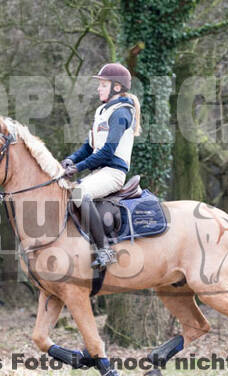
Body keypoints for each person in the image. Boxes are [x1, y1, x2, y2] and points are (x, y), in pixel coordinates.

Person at [61, 63, 142, 270]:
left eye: (103, 84)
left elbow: (107, 152)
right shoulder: (102, 112)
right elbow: (89, 147)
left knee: (78, 192)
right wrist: (70, 160)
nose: (98, 88)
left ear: (117, 87)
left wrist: (78, 168)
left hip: (114, 173)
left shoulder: (122, 113)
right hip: (99, 172)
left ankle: (105, 251)